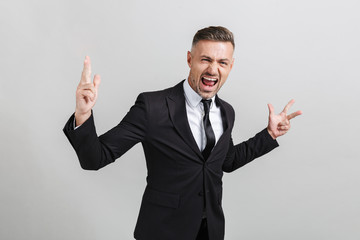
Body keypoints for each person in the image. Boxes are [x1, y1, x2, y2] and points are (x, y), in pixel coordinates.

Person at [63, 26, 302, 240]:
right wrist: (82, 114)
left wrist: (269, 135)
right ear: (190, 59)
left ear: (231, 66)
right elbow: (94, 158)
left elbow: (226, 162)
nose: (213, 69)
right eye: (205, 59)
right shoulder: (152, 106)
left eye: (222, 62)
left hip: (211, 231)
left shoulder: (227, 111)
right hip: (162, 231)